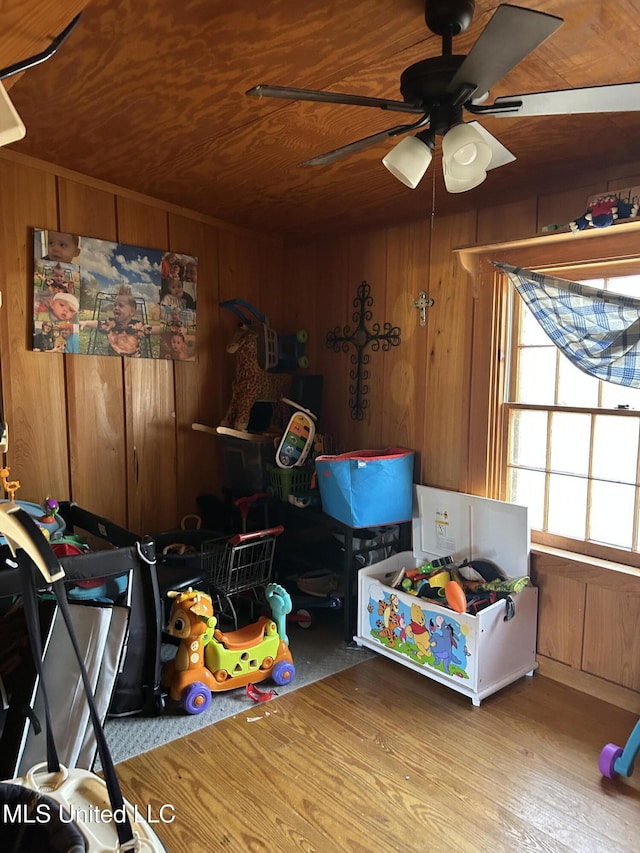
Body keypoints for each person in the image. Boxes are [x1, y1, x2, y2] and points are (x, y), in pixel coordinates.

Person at [80, 287, 153, 357]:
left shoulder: (138, 325)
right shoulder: (111, 324)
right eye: (115, 305)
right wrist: (86, 323)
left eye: (120, 305)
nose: (116, 308)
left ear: (132, 311)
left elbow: (152, 329)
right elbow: (98, 324)